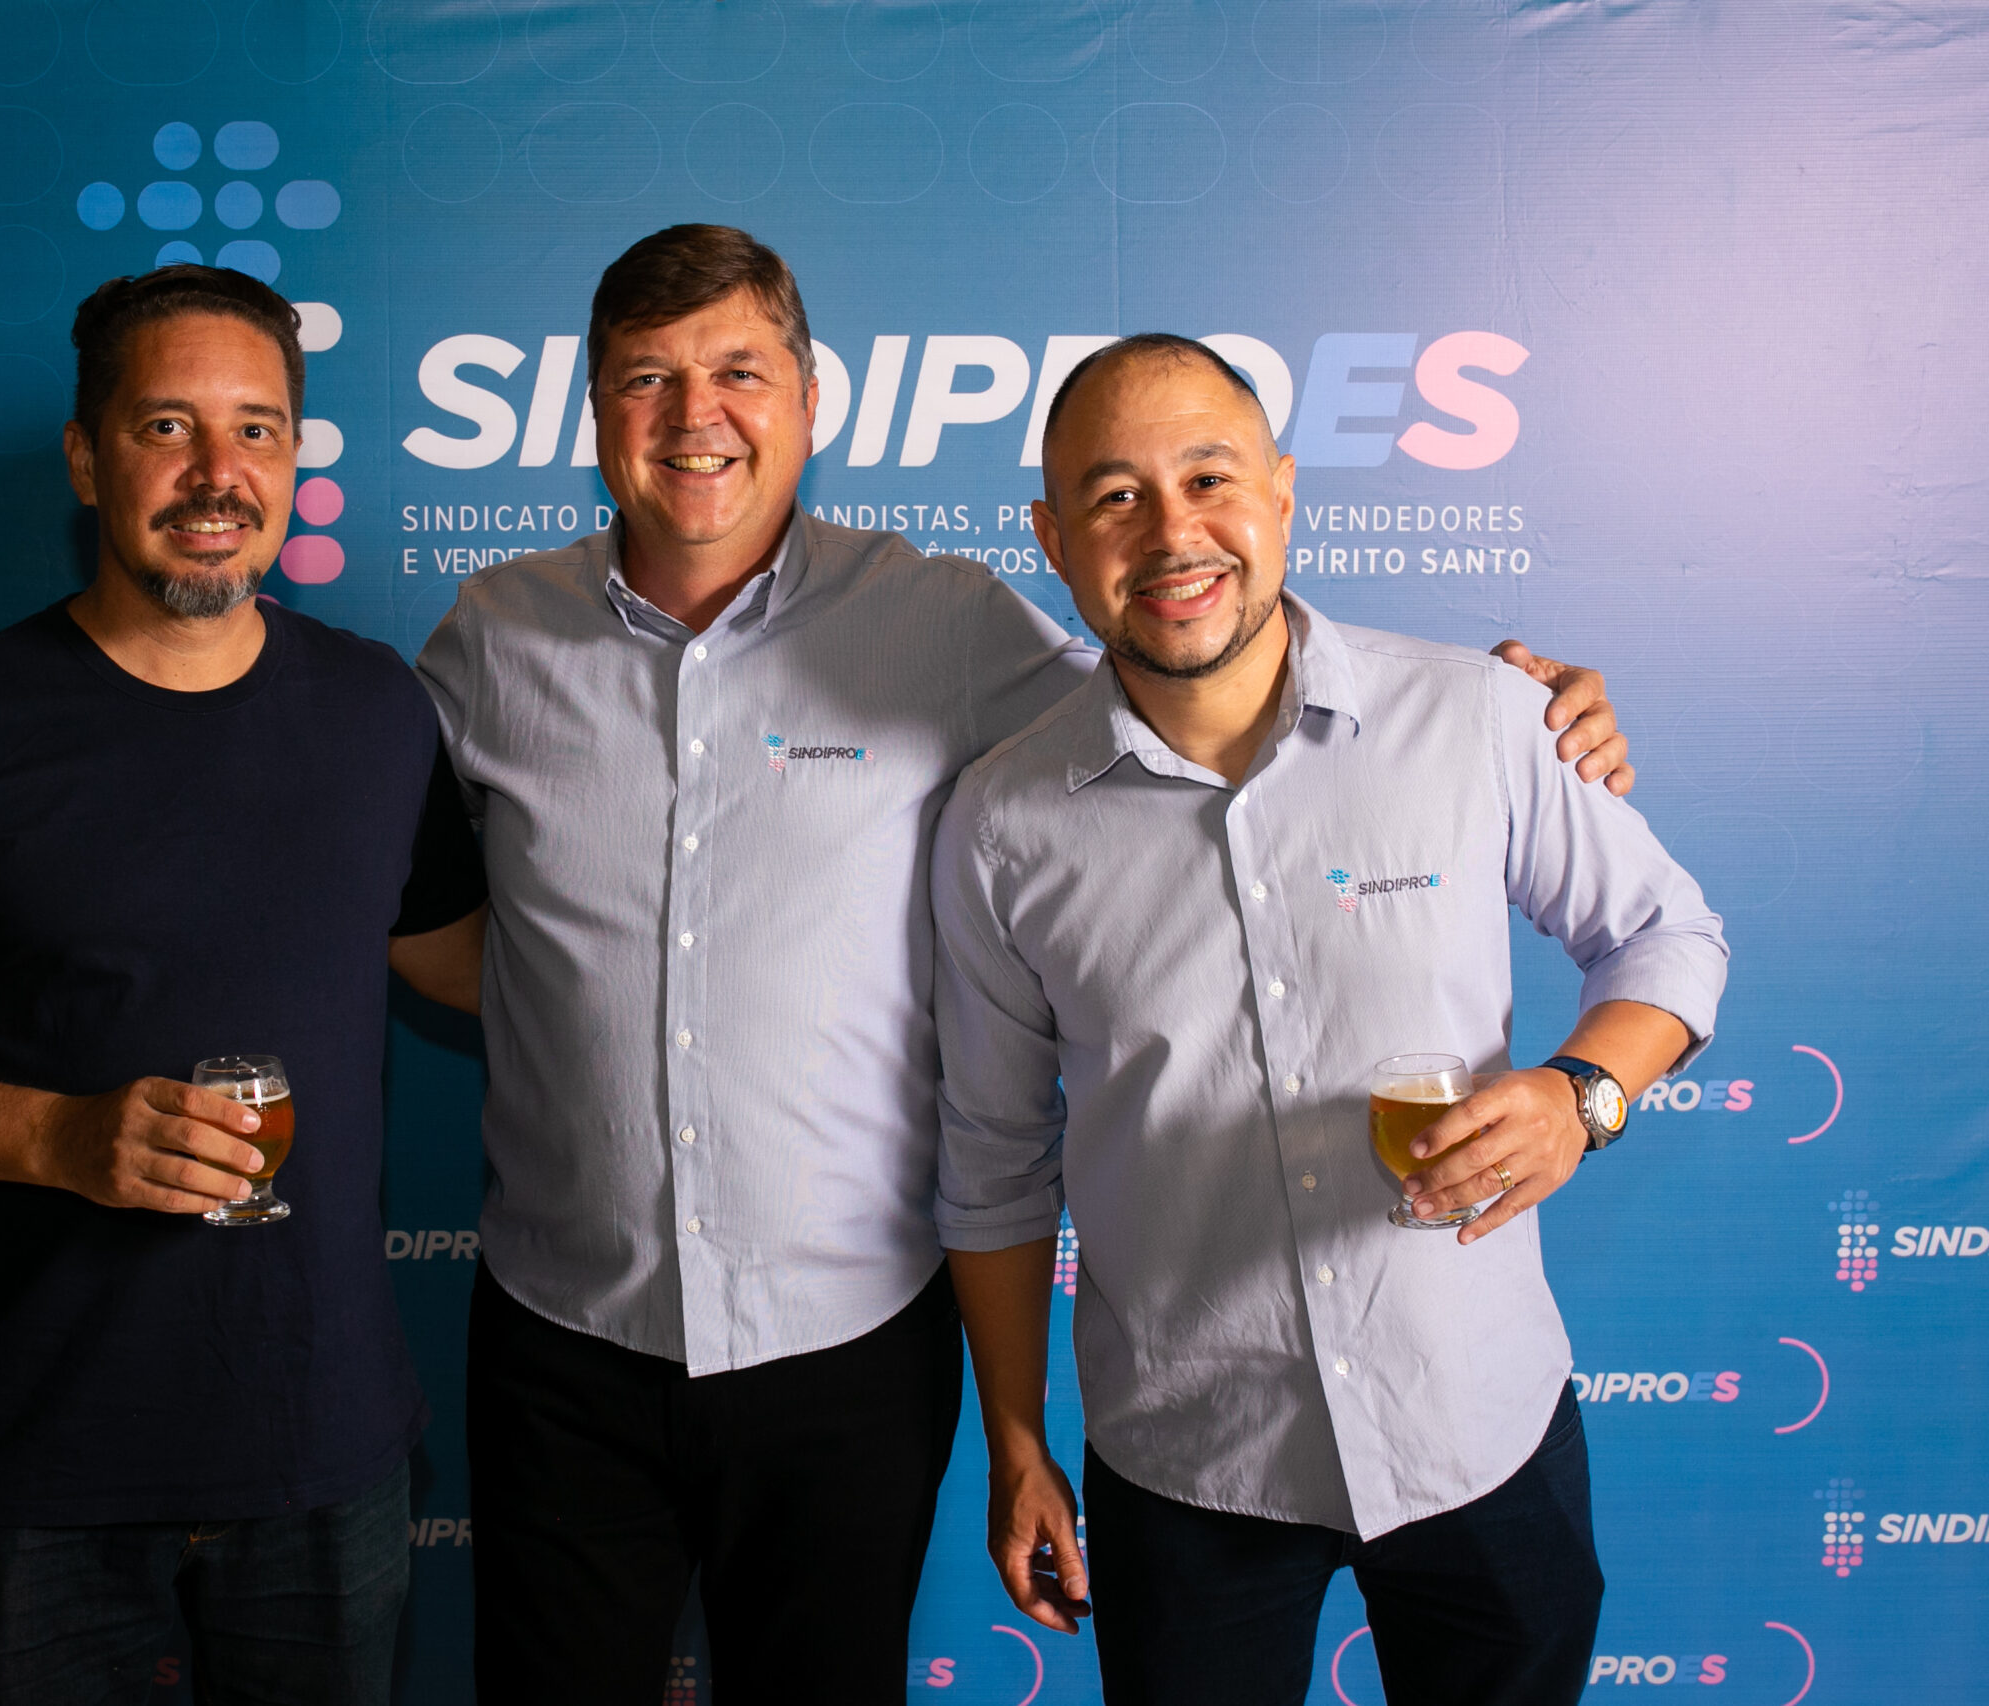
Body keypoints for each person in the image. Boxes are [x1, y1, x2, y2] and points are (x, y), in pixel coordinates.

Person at [416, 226, 1638, 1702]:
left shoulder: (941, 618)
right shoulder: (489, 635)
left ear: (809, 398)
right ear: (594, 409)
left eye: (738, 371)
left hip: (844, 1341)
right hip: (562, 1328)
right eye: (645, 379)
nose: (696, 416)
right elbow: (400, 880)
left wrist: (1512, 714)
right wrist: (563, 1005)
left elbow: (1179, 680)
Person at [931, 334, 1729, 1705]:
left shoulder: (1477, 715)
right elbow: (993, 1159)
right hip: (1190, 1461)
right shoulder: (1002, 824)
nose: (1172, 532)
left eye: (1209, 478)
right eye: (1116, 496)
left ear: (1284, 493)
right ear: (1055, 541)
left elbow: (1669, 934)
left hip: (1477, 1421)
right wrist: (1016, 1438)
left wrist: (1580, 1095)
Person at [0, 265, 486, 1706]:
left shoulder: (378, 709)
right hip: (38, 1473)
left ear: (296, 456)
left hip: (320, 1456)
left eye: (258, 429)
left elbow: (455, 954)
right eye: (168, 426)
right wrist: (58, 1136)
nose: (219, 473)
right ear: (87, 458)